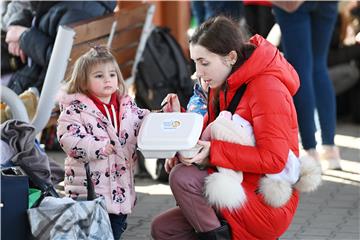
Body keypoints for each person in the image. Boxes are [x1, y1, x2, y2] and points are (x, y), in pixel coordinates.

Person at [152, 16, 301, 239]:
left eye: (204, 62)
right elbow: (210, 130)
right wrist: (178, 121)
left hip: (267, 200)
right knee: (163, 230)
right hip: (233, 183)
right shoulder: (223, 81)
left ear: (230, 57)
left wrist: (212, 153)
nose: (198, 72)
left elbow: (273, 159)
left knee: (183, 177)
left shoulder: (267, 88)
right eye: (194, 62)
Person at [56, 46, 149, 240]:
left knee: (114, 230)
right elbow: (69, 139)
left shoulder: (127, 106)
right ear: (83, 81)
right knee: (93, 234)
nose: (107, 79)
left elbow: (143, 122)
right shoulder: (75, 110)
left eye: (112, 74)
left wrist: (164, 117)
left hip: (119, 191)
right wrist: (96, 147)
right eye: (99, 76)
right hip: (89, 193)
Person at [272, 1, 341, 170]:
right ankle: (330, 149)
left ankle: (310, 151)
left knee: (301, 70)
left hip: (294, 5)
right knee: (319, 66)